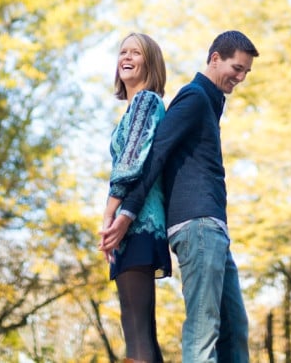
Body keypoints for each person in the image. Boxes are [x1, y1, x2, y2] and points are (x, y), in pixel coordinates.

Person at [100, 30, 259, 363]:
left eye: (246, 71)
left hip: (213, 227)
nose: (241, 77)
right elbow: (155, 155)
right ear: (215, 58)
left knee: (234, 329)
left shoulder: (203, 101)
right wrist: (124, 213)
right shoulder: (193, 97)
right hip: (198, 224)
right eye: (237, 68)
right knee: (202, 332)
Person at [101, 32, 173, 363]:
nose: (126, 57)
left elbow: (131, 164)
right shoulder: (131, 110)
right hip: (127, 227)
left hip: (140, 223)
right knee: (134, 330)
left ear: (150, 62)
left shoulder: (146, 102)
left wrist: (109, 216)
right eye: (122, 52)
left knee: (139, 333)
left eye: (136, 52)